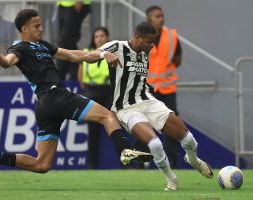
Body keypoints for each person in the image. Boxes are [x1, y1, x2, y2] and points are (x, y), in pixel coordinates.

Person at [0, 9, 152, 173]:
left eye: (41, 25)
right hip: (57, 96)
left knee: (42, 165)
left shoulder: (44, 46)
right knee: (108, 116)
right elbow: (7, 62)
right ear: (24, 29)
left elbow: (72, 54)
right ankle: (125, 150)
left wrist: (101, 54)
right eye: (36, 26)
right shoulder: (19, 48)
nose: (41, 28)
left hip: (45, 106)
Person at [84, 21, 213, 190]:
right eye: (149, 41)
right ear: (136, 37)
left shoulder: (145, 52)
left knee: (189, 140)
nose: (152, 46)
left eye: (153, 42)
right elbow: (88, 57)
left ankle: (193, 160)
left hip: (148, 101)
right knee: (155, 145)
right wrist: (103, 55)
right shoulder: (116, 46)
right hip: (126, 108)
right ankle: (171, 179)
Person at [145, 5, 182, 169]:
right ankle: (140, 164)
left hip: (167, 90)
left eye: (162, 16)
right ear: (149, 19)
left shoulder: (171, 35)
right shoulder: (142, 36)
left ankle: (172, 162)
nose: (161, 19)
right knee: (143, 125)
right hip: (148, 90)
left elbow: (178, 59)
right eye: (157, 16)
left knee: (172, 127)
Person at [77, 27, 112, 169]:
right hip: (91, 91)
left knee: (115, 128)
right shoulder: (87, 53)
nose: (99, 38)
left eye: (102, 35)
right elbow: (80, 75)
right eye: (96, 36)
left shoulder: (114, 53)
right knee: (93, 132)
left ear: (107, 37)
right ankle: (92, 165)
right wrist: (86, 91)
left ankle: (125, 164)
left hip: (109, 92)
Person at [56, 0, 91, 80]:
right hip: (63, 4)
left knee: (65, 39)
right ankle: (73, 74)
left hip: (75, 4)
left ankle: (65, 74)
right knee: (64, 40)